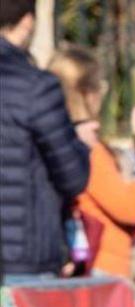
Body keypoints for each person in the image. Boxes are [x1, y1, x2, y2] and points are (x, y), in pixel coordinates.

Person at [48, 44, 135, 277]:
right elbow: (129, 208)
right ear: (87, 93)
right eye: (100, 86)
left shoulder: (63, 141)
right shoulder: (87, 149)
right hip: (103, 266)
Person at [0, 0, 91, 282]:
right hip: (24, 258)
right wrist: (79, 142)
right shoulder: (36, 86)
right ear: (27, 21)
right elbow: (73, 177)